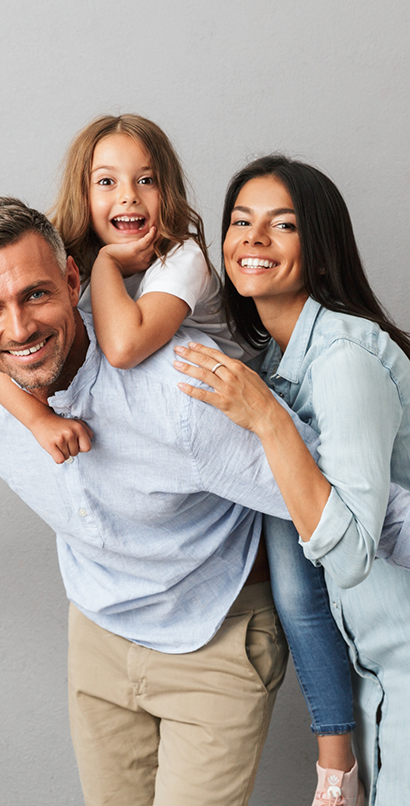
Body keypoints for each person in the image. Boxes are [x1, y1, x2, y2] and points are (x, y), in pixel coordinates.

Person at [0, 196, 323, 806]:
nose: (18, 329)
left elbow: (342, 496)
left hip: (214, 636)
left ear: (74, 279)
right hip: (98, 634)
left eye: (36, 295)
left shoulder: (181, 393)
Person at [174, 155, 410, 806]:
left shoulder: (342, 359)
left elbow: (349, 551)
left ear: (322, 246)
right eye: (240, 222)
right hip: (375, 680)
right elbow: (299, 584)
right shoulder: (279, 362)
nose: (252, 237)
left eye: (281, 224)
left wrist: (266, 421)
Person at [0, 114, 250, 463]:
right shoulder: (66, 259)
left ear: (167, 190)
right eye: (107, 182)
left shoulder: (181, 256)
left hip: (231, 414)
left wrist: (107, 265)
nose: (129, 196)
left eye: (146, 180)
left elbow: (124, 349)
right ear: (81, 192)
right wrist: (38, 421)